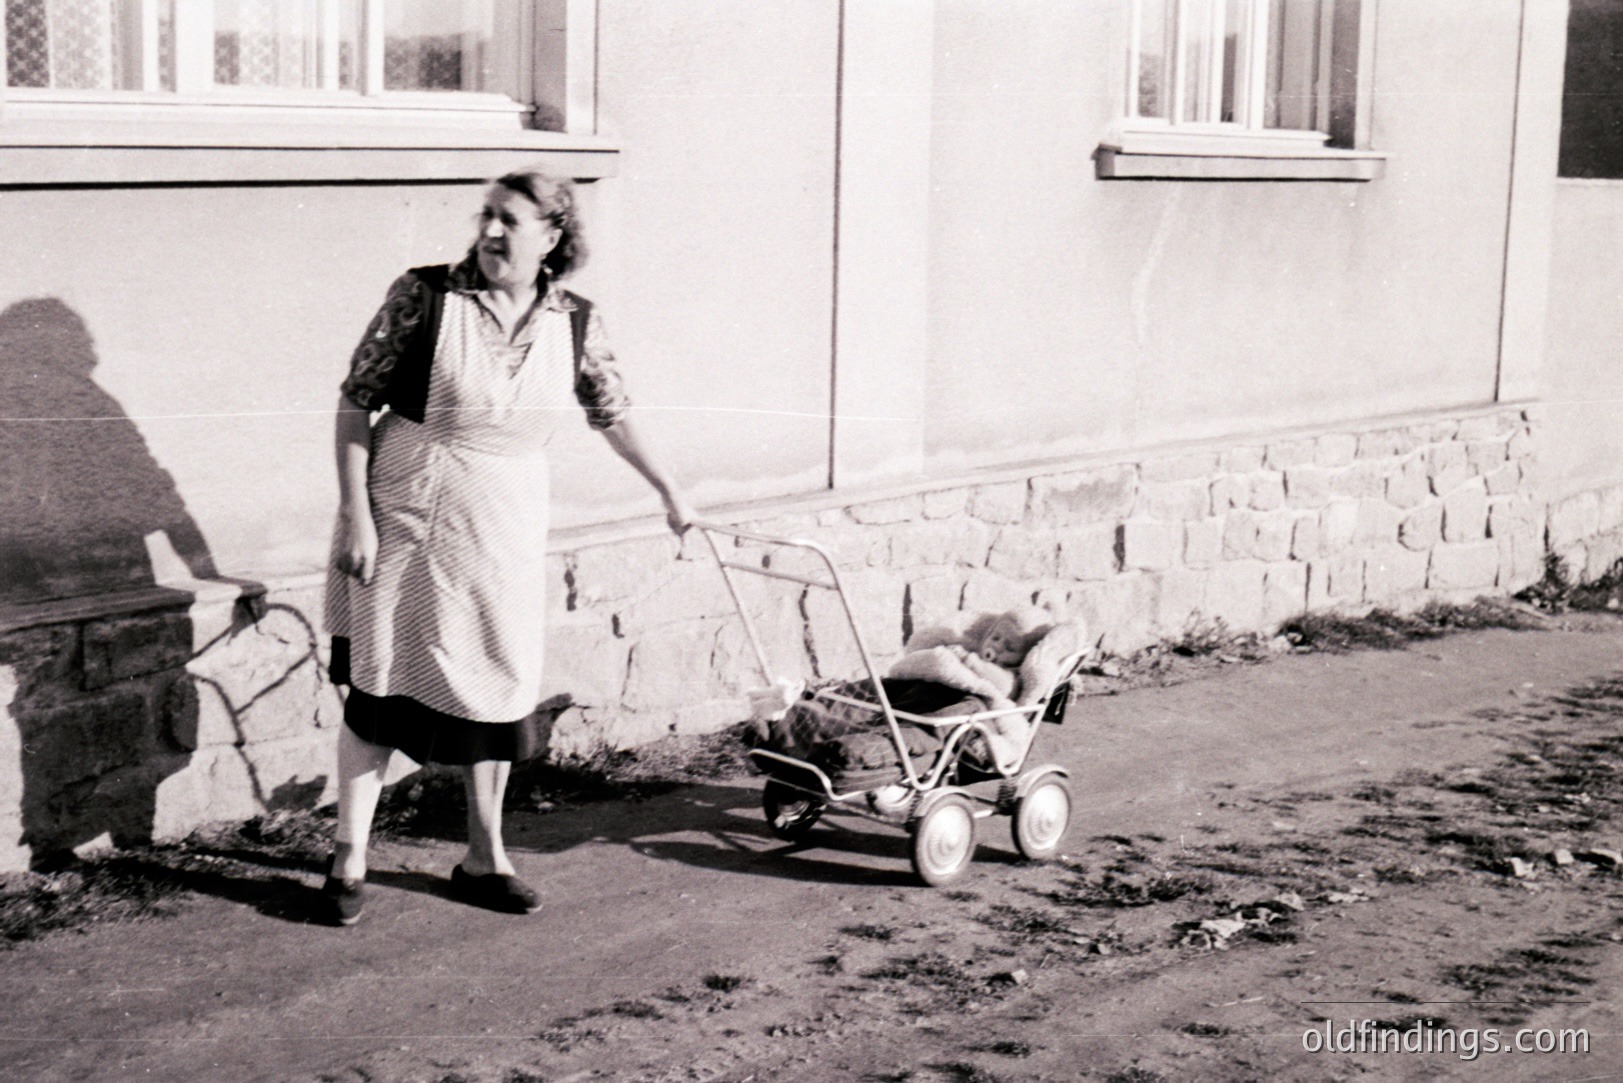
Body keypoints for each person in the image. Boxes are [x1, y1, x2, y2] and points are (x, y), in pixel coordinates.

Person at [322, 169, 694, 926]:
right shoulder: (426, 296)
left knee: (496, 690)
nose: (490, 231)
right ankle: (348, 856)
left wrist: (670, 490)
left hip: (503, 525)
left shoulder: (576, 321)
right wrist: (357, 514)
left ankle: (484, 857)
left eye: (510, 220)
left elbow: (613, 412)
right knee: (379, 689)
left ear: (552, 237)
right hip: (407, 513)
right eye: (486, 215)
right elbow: (356, 403)